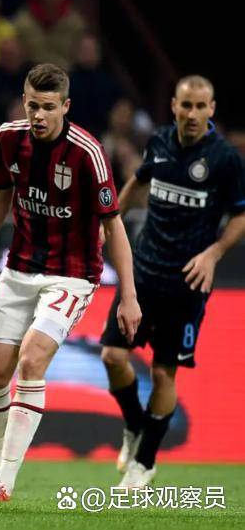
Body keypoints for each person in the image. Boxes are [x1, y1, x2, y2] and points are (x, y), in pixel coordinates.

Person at [0, 63, 142, 501]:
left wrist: (128, 295)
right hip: (18, 269)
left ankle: (4, 481)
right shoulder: (6, 139)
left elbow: (114, 226)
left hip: (72, 275)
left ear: (65, 106)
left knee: (31, 361)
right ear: (24, 100)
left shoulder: (87, 153)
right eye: (33, 105)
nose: (39, 114)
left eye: (49, 107)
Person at [99, 75, 245, 488]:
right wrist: (108, 222)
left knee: (164, 373)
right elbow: (138, 180)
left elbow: (241, 214)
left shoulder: (224, 159)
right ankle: (135, 424)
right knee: (112, 356)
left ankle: (144, 462)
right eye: (186, 105)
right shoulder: (160, 141)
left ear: (211, 109)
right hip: (143, 270)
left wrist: (214, 253)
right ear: (174, 107)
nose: (192, 114)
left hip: (186, 282)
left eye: (200, 106)